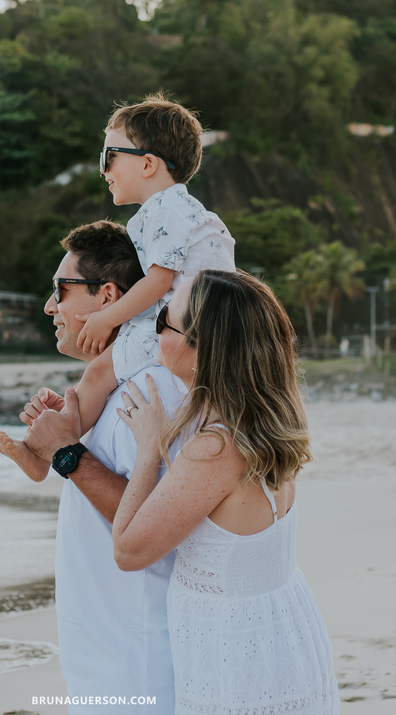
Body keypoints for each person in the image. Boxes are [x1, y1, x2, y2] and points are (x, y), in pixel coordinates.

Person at [110, 270, 339, 714]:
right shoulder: (270, 420)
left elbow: (127, 550)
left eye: (163, 321)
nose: (156, 331)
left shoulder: (215, 448)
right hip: (283, 626)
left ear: (201, 351)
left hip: (238, 647)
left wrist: (147, 448)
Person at [0, 220, 188, 712]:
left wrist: (67, 454)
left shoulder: (150, 392)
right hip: (111, 651)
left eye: (61, 290)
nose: (49, 306)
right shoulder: (117, 391)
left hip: (138, 658)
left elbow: (157, 526)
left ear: (107, 297)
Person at [69, 94, 234, 435]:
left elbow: (159, 283)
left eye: (109, 157)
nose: (103, 170)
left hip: (177, 327)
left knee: (98, 373)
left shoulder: (165, 211)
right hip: (206, 327)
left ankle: (52, 444)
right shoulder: (186, 210)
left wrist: (106, 318)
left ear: (147, 165)